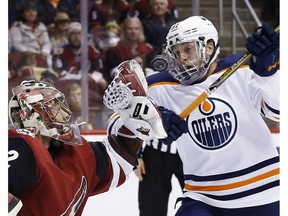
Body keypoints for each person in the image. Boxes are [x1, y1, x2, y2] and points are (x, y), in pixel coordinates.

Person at [104, 16, 280, 215]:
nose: (183, 58)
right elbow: (114, 123)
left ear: (210, 47)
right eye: (177, 52)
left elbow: (277, 112)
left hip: (266, 192)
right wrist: (150, 119)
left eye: (188, 49)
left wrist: (270, 73)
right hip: (203, 198)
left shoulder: (243, 70)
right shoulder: (160, 86)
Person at [8, 79, 165, 215]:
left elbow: (119, 160)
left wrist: (134, 121)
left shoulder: (77, 153)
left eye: (61, 104)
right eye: (53, 107)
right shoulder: (21, 147)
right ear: (28, 116)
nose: (63, 114)